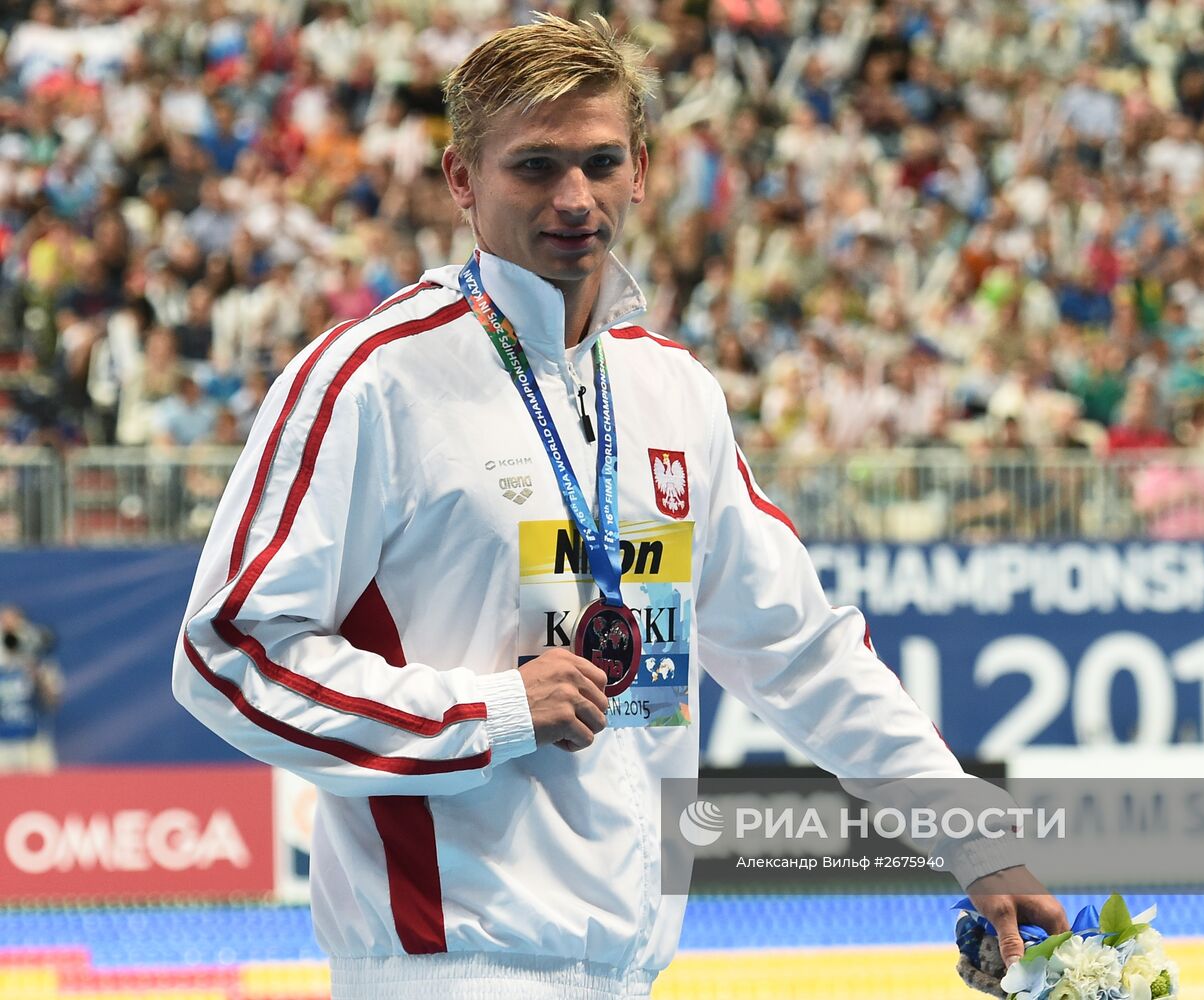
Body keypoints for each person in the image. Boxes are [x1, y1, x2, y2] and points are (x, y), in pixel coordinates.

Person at [172, 15, 1066, 998]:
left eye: (600, 162)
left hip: (631, 970)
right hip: (448, 968)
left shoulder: (671, 390)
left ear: (639, 170)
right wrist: (490, 711)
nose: (573, 197)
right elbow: (227, 653)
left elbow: (798, 649)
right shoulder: (372, 379)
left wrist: (972, 835)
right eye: (534, 166)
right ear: (461, 178)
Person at [0, 604, 63, 773]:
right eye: (4, 625)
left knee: (43, 787)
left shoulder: (40, 663)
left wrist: (36, 675)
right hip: (2, 746)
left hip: (33, 744)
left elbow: (52, 703)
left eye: (15, 625)